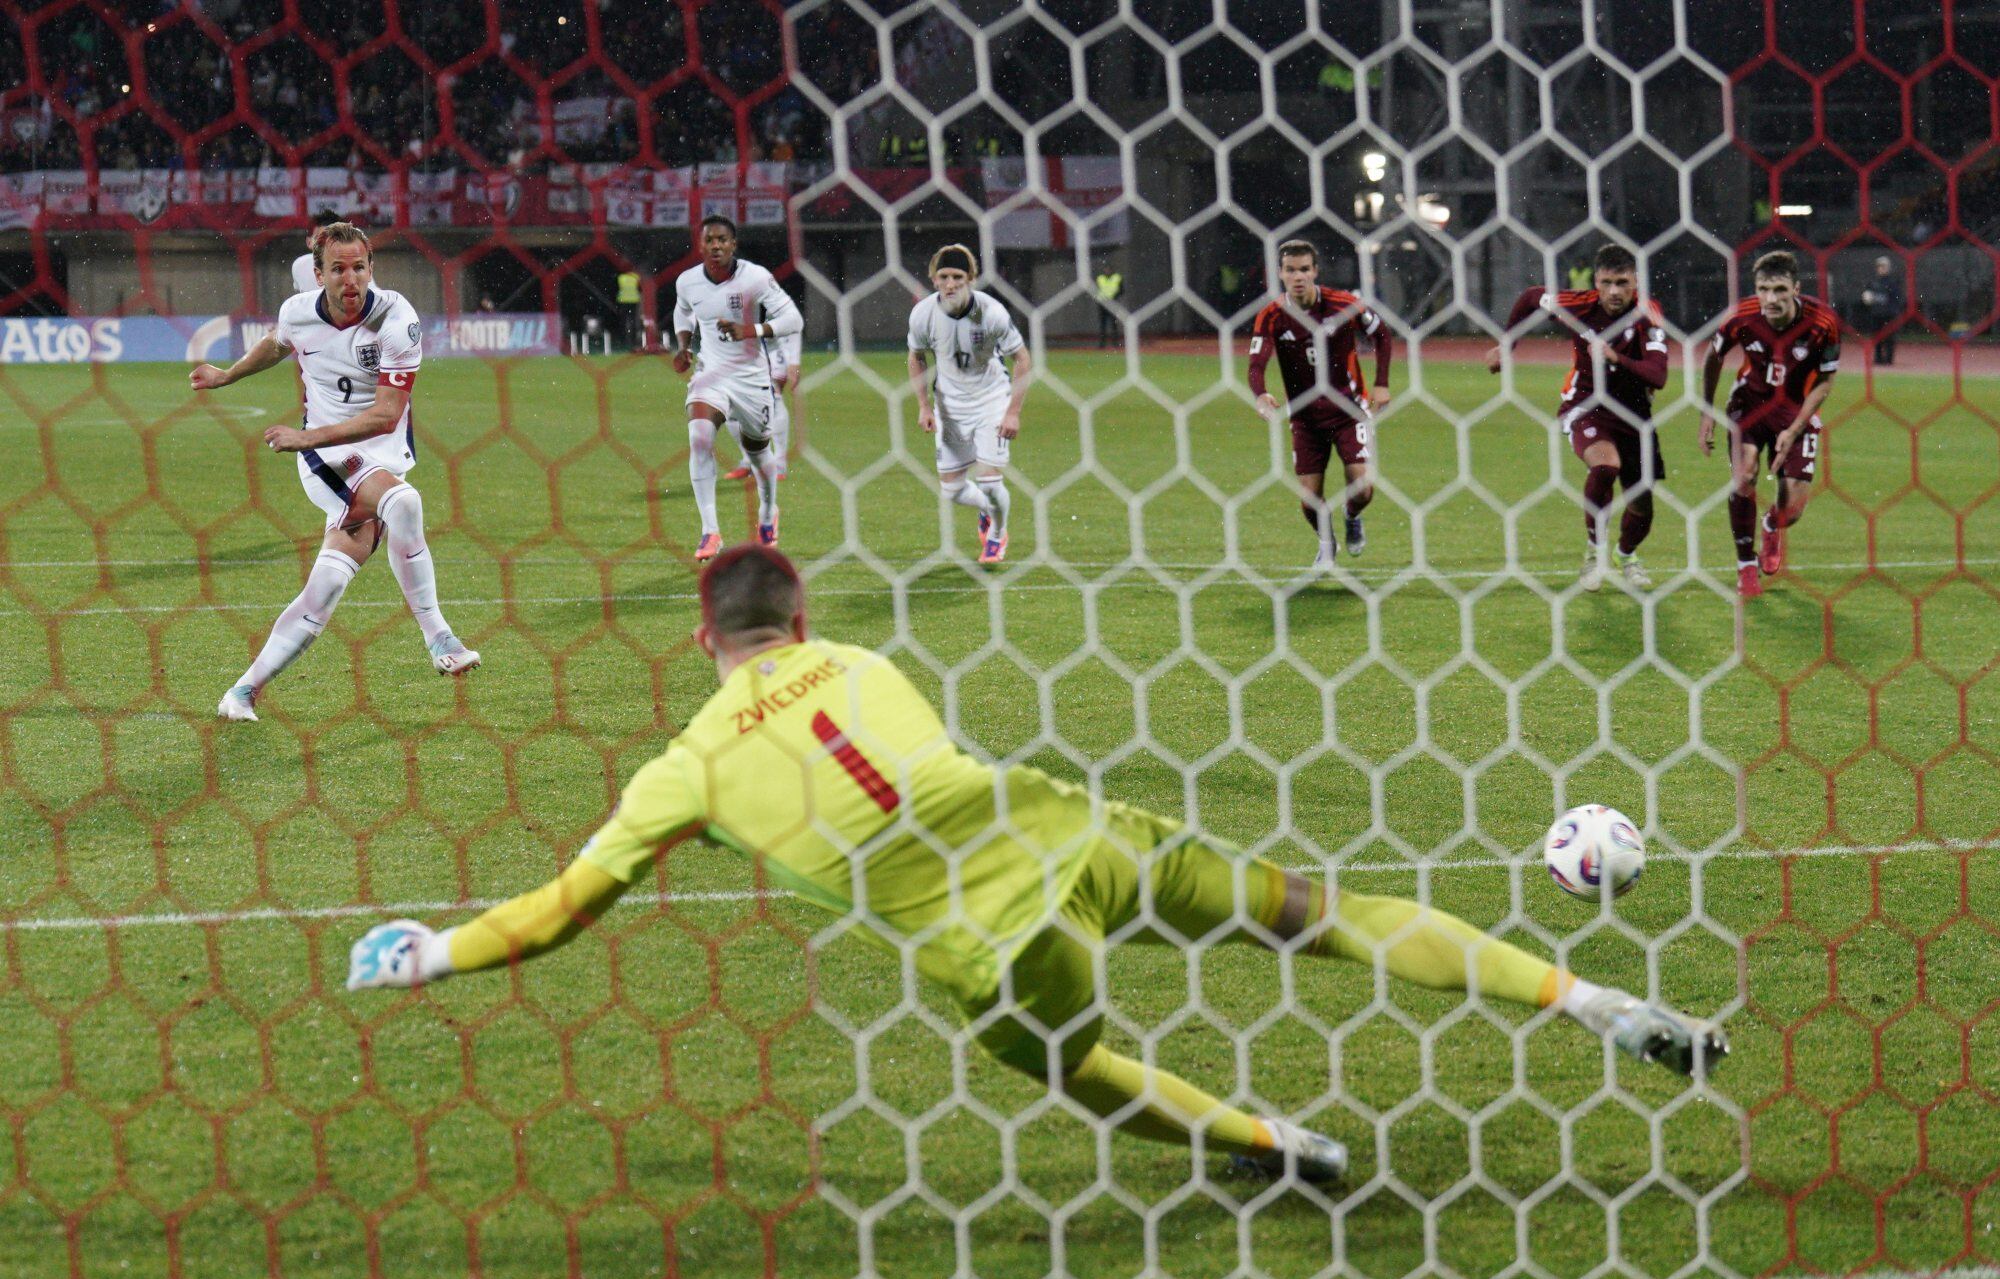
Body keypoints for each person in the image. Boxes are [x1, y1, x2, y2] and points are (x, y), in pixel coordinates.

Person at [348, 544, 1729, 1184]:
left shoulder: (684, 765)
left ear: (702, 643)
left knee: (1070, 1070)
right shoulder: (863, 654)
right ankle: (1591, 1003)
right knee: (1327, 914)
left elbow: (560, 914)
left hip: (996, 945)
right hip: (1070, 827)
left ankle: (1274, 1142)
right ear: (802, 617)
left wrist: (435, 951)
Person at [193, 221, 478, 723]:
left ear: (373, 268)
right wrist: (227, 375)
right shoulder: (298, 312)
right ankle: (439, 638)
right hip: (328, 460)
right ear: (318, 274)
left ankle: (242, 691)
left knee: (326, 584)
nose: (351, 279)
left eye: (360, 267)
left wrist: (302, 435)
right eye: (339, 269)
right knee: (404, 503)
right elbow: (278, 343)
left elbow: (387, 415)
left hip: (377, 451)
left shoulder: (396, 318)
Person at [1489, 244, 1669, 593]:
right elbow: (1530, 297)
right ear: (1596, 283)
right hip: (1586, 406)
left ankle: (1626, 555)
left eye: (1622, 283)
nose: (1614, 291)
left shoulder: (1648, 314)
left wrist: (1614, 356)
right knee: (1605, 466)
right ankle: (1594, 552)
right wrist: (1507, 345)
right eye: (1606, 283)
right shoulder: (1577, 305)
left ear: (1636, 282)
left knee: (1642, 507)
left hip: (1634, 415)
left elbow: (1657, 375)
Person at [1697, 250, 1840, 598]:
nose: (1770, 299)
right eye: (1763, 289)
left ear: (1796, 288)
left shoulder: (1823, 322)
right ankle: (1746, 566)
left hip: (1796, 410)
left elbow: (1824, 381)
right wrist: (1706, 412)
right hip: (1750, 405)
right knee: (1745, 477)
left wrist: (1795, 429)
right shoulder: (1741, 317)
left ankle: (1771, 525)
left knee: (1792, 510)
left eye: (1778, 289)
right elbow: (1713, 357)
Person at [1248, 239, 1393, 573]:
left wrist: (1382, 383)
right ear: (1280, 274)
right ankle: (1327, 545)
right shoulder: (1271, 315)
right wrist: (1260, 393)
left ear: (1315, 271)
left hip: (1349, 411)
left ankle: (1352, 517)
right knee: (1309, 498)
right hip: (1305, 418)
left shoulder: (1344, 304)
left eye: (1304, 269)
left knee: (1362, 488)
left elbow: (1382, 334)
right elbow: (1256, 363)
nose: (1297, 276)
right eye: (1290, 270)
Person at [672, 215, 803, 559]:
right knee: (699, 437)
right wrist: (684, 344)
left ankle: (768, 512)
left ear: (733, 244)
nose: (716, 246)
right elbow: (682, 311)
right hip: (711, 374)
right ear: (700, 245)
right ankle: (710, 532)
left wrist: (752, 330)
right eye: (709, 240)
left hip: (751, 379)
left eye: (722, 240)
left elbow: (793, 319)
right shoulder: (687, 282)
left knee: (759, 452)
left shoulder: (755, 278)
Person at [906, 244, 1031, 566]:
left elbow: (1022, 358)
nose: (950, 284)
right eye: (944, 276)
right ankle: (988, 512)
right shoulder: (923, 314)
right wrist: (924, 405)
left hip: (991, 401)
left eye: (958, 277)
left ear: (971, 278)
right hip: (950, 406)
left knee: (989, 481)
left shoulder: (991, 313)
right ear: (933, 279)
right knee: (952, 491)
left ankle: (997, 535)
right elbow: (916, 357)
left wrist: (1012, 412)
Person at [726, 320, 800, 484]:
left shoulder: (768, 295)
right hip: (741, 352)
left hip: (772, 351)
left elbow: (792, 320)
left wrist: (794, 360)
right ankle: (748, 462)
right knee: (731, 408)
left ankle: (779, 464)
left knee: (774, 399)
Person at [1858, 255, 1903, 366]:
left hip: (1889, 314)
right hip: (1876, 314)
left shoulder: (1893, 282)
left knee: (1889, 337)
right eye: (1879, 266)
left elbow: (1896, 298)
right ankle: (1878, 358)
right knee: (1876, 336)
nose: (1881, 268)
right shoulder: (1873, 282)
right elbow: (1867, 296)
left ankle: (1888, 359)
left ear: (1888, 268)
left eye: (1883, 266)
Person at [291, 206, 345, 295]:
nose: (326, 244)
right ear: (309, 242)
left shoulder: (355, 268)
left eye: (333, 239)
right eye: (319, 238)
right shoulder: (299, 265)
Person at [1095, 264, 1123, 348]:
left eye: (1108, 269)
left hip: (1112, 303)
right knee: (1103, 324)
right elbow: (1095, 290)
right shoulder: (1100, 278)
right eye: (1106, 269)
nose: (1107, 271)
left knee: (1113, 324)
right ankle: (1102, 343)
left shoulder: (1117, 278)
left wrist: (1114, 297)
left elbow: (1121, 290)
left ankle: (1115, 343)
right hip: (1103, 304)